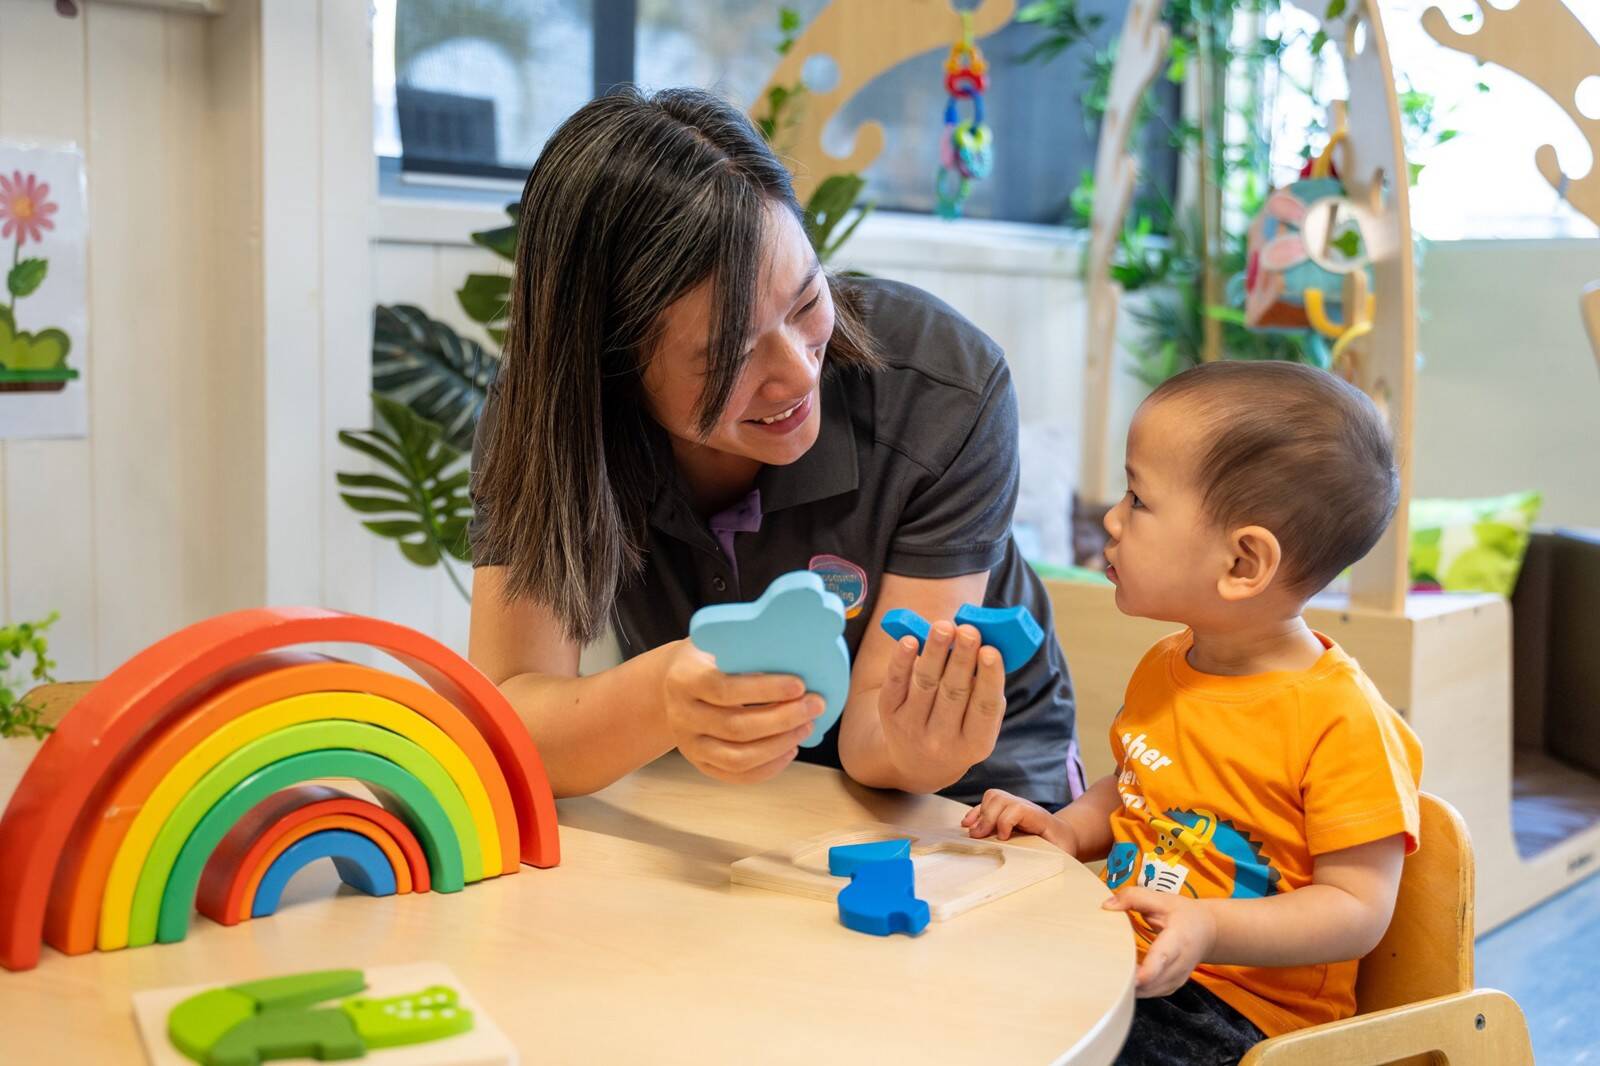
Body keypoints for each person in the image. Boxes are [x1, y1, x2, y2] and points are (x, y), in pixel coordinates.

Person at [468, 87, 1083, 808]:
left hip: (980, 793)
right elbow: (511, 718)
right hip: (732, 797)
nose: (797, 374)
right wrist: (663, 695)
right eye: (731, 354)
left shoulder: (942, 388)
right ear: (610, 368)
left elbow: (875, 740)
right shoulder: (552, 419)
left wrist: (918, 745)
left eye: (806, 301)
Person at [965, 360, 1422, 1064]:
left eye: (1138, 499)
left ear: (1243, 564)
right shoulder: (1167, 664)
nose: (1111, 518)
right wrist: (1067, 829)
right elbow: (1136, 786)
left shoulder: (1343, 720)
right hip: (1119, 957)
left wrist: (1210, 925)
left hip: (1240, 1014)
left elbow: (1357, 910)